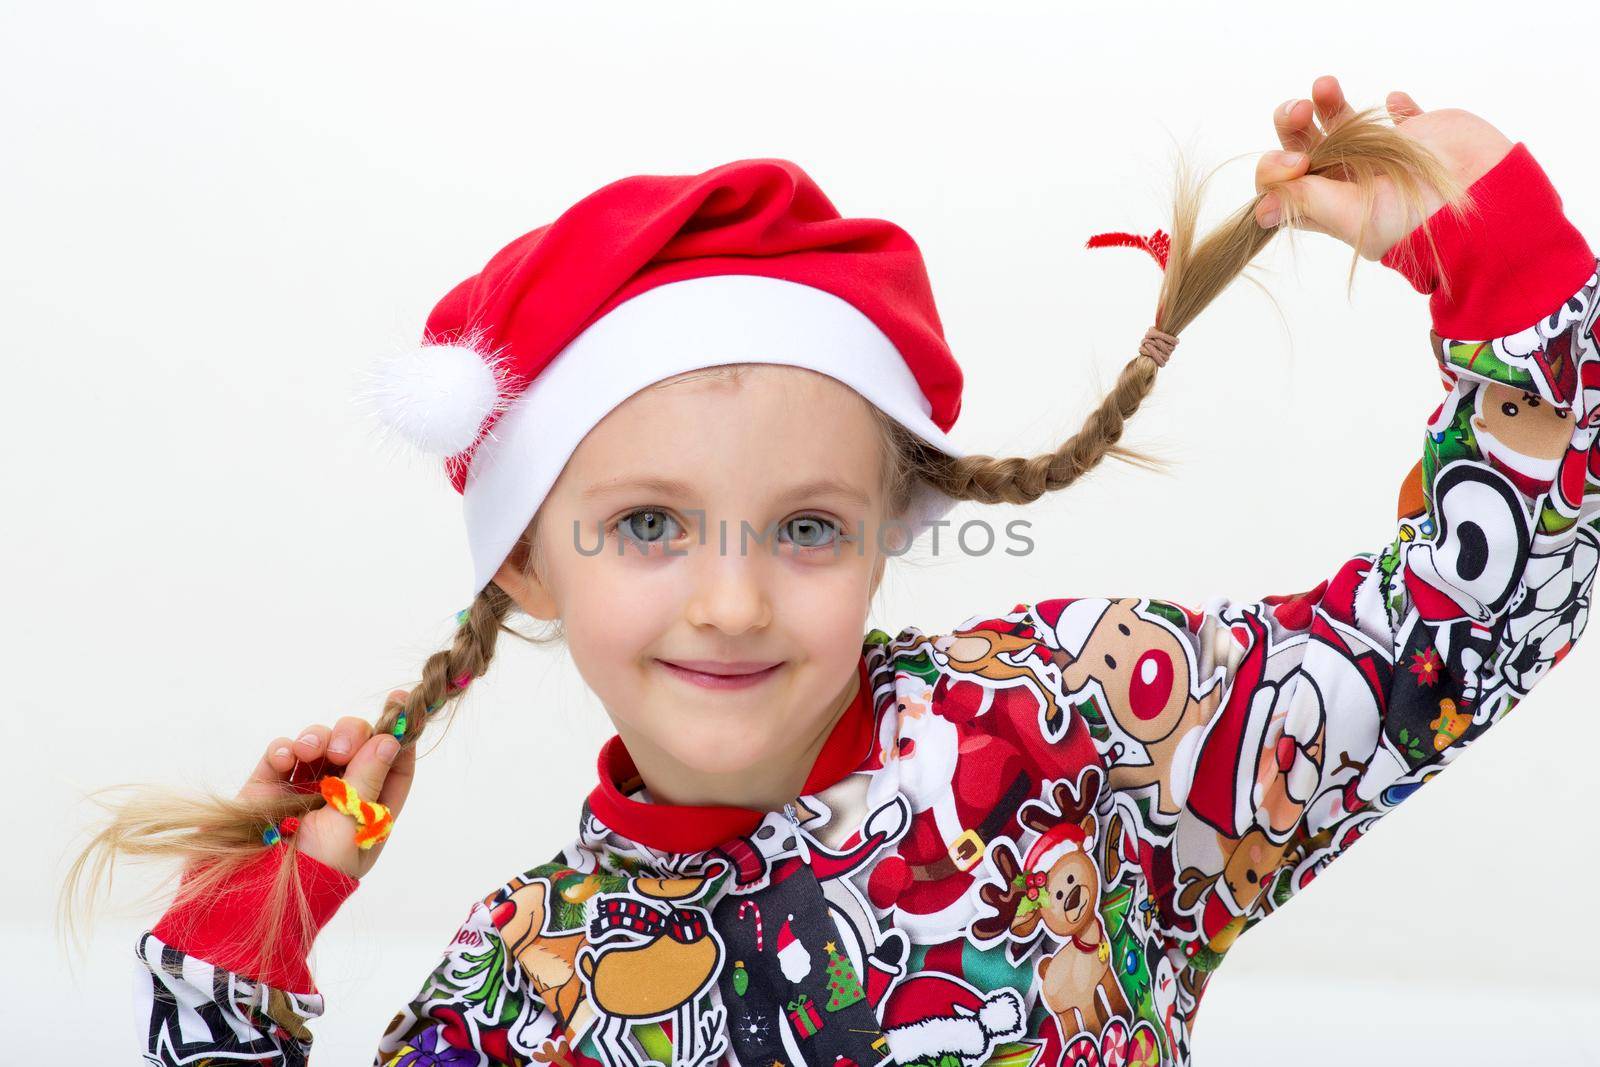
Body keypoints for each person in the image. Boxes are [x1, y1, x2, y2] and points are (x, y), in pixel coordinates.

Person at [66, 75, 1597, 1067]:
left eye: (805, 527)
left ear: (892, 524)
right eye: (650, 525)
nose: (732, 600)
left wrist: (1504, 270)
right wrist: (233, 968)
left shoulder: (1082, 727)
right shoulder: (519, 992)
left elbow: (1436, 650)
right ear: (528, 562)